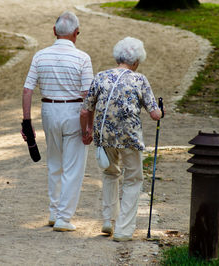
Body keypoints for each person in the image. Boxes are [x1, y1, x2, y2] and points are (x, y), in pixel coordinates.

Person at [80, 37, 162, 242]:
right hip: (129, 137)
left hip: (104, 136)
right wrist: (160, 111)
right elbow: (154, 114)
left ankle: (108, 219)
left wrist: (88, 130)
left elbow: (85, 110)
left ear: (118, 57)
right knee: (133, 180)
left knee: (110, 173)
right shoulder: (139, 79)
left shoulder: (101, 77)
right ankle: (124, 230)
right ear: (136, 62)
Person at [21, 11, 93, 232]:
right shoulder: (83, 58)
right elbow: (88, 95)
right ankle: (63, 217)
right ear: (76, 33)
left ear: (54, 31)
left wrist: (27, 122)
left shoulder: (40, 56)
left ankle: (54, 212)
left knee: (54, 163)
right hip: (74, 110)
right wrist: (89, 126)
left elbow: (27, 90)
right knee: (73, 167)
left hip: (49, 110)